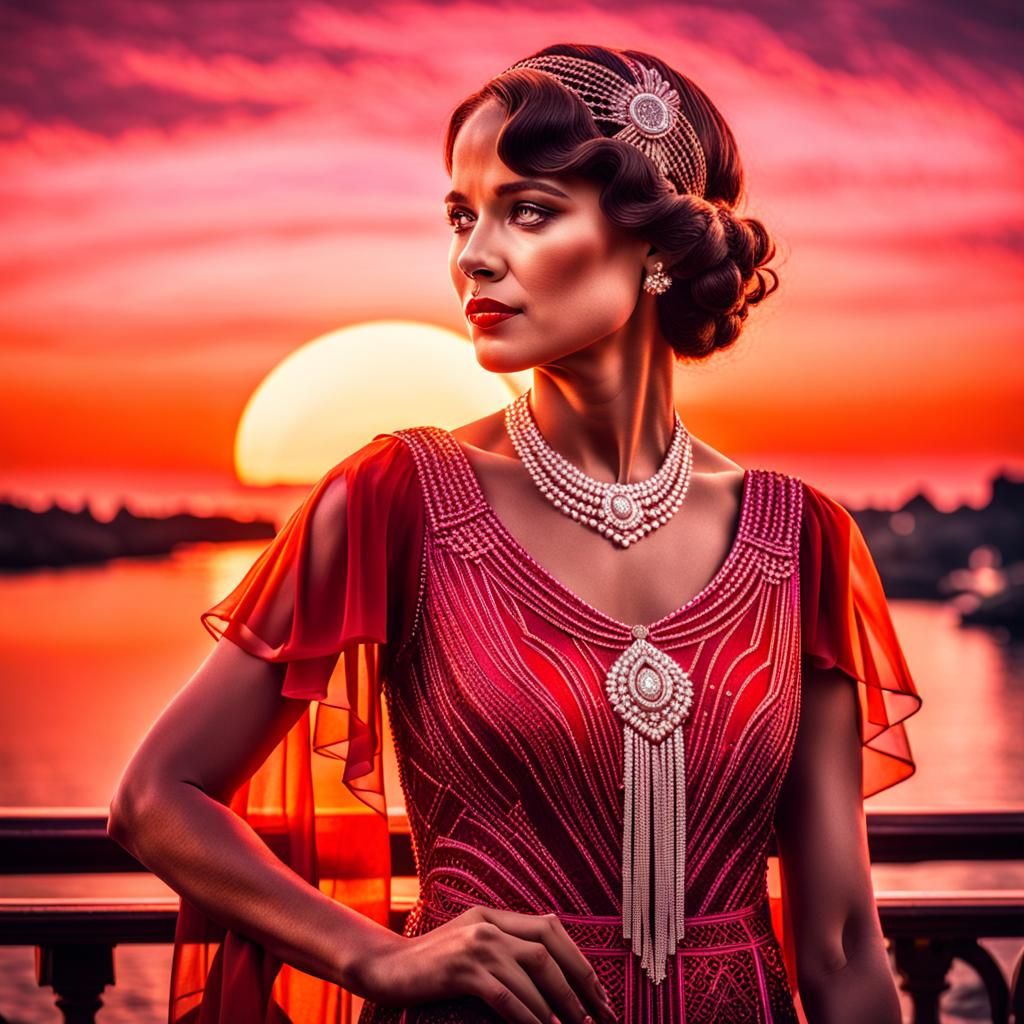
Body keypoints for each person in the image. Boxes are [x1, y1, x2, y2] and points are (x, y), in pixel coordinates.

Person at [107, 42, 923, 1024]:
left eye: (526, 211)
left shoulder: (803, 541)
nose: (473, 256)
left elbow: (838, 946)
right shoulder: (392, 497)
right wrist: (374, 957)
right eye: (462, 215)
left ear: (656, 243)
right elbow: (157, 796)